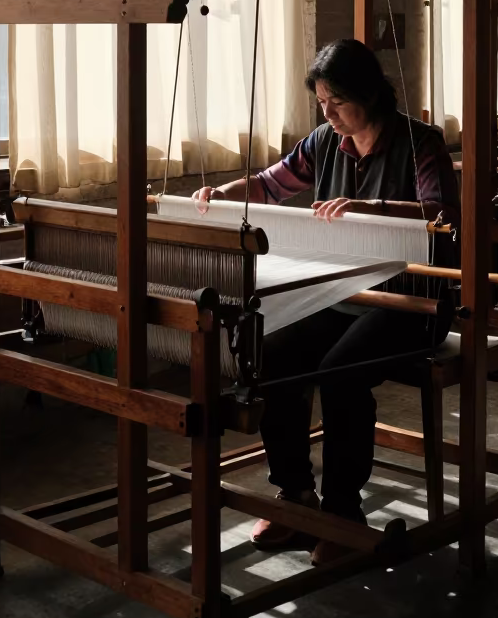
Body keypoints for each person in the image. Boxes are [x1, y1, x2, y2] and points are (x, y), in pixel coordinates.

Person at [193, 38, 460, 565]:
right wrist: (226, 194)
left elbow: (442, 219)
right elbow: (272, 184)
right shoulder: (322, 142)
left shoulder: (420, 143)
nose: (329, 112)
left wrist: (370, 208)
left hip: (412, 304)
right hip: (341, 296)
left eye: (337, 101)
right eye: (321, 103)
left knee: (340, 372)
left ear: (368, 93)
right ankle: (295, 497)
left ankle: (342, 514)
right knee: (268, 350)